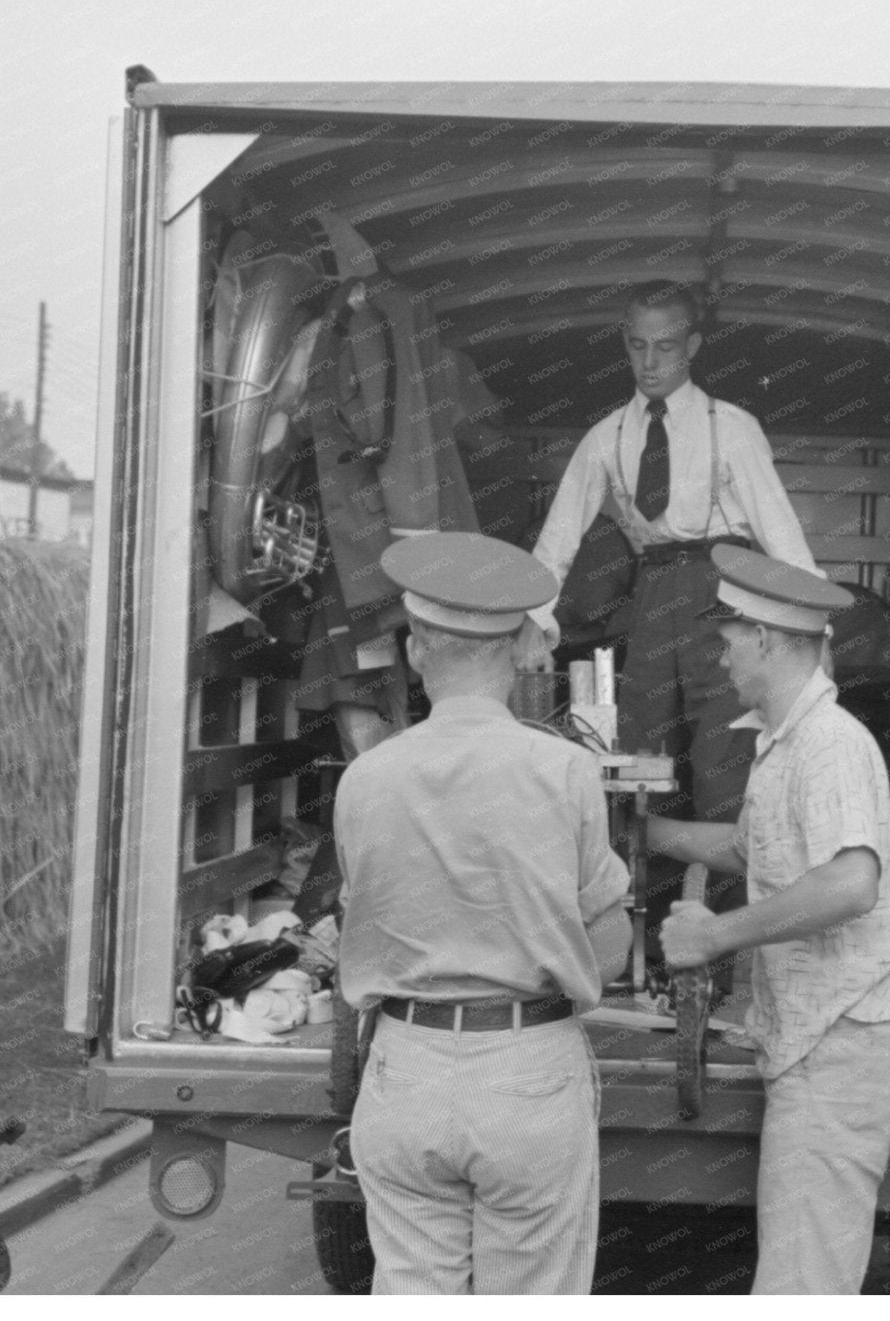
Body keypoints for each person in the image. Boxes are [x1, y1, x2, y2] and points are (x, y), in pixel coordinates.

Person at [333, 532, 631, 1295]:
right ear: (524, 647)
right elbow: (610, 953)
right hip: (526, 1071)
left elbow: (359, 922)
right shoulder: (564, 770)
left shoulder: (365, 780)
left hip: (405, 1070)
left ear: (416, 650)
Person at [517, 281, 818, 974]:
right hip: (652, 599)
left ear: (693, 346)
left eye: (667, 347)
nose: (651, 362)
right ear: (624, 343)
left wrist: (809, 639)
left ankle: (723, 961)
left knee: (725, 777)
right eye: (637, 346)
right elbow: (557, 540)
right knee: (638, 773)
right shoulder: (607, 436)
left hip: (726, 599)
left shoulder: (731, 426)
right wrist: (533, 625)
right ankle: (645, 958)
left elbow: (782, 534)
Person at [652, 544, 890, 1295]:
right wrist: (644, 830)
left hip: (840, 1051)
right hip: (822, 1042)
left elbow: (848, 882)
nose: (721, 654)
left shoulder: (830, 745)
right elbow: (754, 850)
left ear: (766, 638)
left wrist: (715, 934)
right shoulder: (787, 742)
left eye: (729, 636)